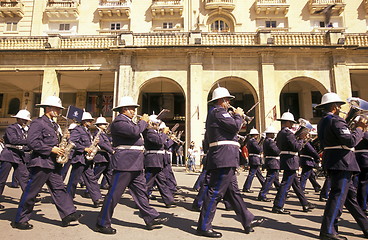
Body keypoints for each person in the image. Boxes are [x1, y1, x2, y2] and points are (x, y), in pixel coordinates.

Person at [197, 86, 264, 238]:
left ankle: (247, 220)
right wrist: (239, 115)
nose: (228, 103)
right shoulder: (218, 112)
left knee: (233, 192)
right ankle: (203, 225)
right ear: (220, 101)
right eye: (227, 100)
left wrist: (235, 116)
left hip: (226, 157)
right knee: (215, 192)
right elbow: (234, 127)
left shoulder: (220, 113)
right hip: (223, 158)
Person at [96, 96, 168, 235]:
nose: (134, 111)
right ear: (124, 109)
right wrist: (143, 122)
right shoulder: (119, 122)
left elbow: (140, 135)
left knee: (141, 193)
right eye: (131, 109)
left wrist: (149, 126)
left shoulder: (131, 122)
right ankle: (102, 222)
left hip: (136, 163)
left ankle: (150, 218)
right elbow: (134, 132)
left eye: (134, 109)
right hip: (124, 162)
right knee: (114, 194)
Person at [12, 96, 82, 230]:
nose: (59, 111)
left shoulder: (54, 124)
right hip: (41, 163)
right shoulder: (38, 123)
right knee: (31, 192)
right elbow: (32, 142)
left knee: (59, 188)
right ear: (48, 108)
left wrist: (64, 139)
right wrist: (51, 149)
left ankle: (68, 214)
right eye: (56, 108)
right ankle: (20, 219)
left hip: (52, 163)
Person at [316, 92, 368, 240]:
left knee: (350, 198)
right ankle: (328, 230)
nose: (340, 108)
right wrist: (359, 128)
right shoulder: (336, 120)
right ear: (333, 107)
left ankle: (366, 227)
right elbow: (350, 141)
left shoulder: (324, 121)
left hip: (334, 161)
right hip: (342, 162)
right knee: (337, 197)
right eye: (338, 106)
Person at [272, 111, 315, 214]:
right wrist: (301, 139)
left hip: (286, 158)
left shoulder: (280, 133)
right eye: (290, 122)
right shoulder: (288, 133)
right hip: (291, 159)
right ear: (286, 122)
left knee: (296, 185)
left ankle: (305, 203)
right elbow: (297, 147)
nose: (292, 124)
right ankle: (278, 205)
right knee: (286, 184)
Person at [66, 112, 103, 207]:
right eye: (89, 120)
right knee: (73, 181)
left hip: (86, 159)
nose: (91, 122)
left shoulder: (87, 131)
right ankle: (67, 200)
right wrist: (84, 149)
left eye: (91, 120)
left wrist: (94, 144)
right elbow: (72, 143)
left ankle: (97, 198)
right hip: (79, 159)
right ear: (83, 121)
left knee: (91, 179)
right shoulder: (77, 130)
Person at [0, 109, 32, 209]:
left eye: (26, 120)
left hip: (19, 155)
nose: (25, 122)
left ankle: (29, 198)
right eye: (23, 120)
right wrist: (29, 141)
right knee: (2, 179)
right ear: (18, 119)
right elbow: (13, 140)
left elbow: (25, 145)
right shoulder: (11, 128)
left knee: (24, 177)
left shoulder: (26, 130)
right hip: (9, 155)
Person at [143, 114, 176, 208]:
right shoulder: (149, 132)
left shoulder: (154, 132)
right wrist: (164, 134)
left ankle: (169, 200)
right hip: (152, 160)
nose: (157, 125)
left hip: (158, 161)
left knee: (162, 182)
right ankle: (142, 201)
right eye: (156, 123)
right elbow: (160, 142)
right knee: (147, 183)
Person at [258, 125, 280, 202]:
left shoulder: (266, 141)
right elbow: (277, 151)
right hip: (273, 162)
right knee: (270, 179)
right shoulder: (270, 141)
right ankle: (262, 194)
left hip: (270, 161)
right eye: (273, 133)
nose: (274, 135)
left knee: (275, 179)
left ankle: (281, 192)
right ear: (270, 134)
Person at [92, 116, 114, 190]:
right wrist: (111, 151)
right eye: (104, 124)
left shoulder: (103, 133)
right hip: (101, 157)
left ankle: (113, 190)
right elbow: (102, 144)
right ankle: (89, 191)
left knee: (109, 175)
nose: (105, 126)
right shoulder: (97, 133)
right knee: (96, 175)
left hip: (106, 157)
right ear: (100, 125)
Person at [243, 128, 265, 193]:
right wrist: (261, 142)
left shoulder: (250, 141)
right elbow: (259, 149)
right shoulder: (253, 141)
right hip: (255, 158)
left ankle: (264, 184)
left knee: (258, 173)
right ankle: (246, 187)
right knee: (252, 174)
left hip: (253, 158)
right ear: (255, 135)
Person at [356, 131, 368, 214]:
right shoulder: (365, 134)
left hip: (357, 160)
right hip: (365, 159)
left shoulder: (357, 133)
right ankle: (363, 205)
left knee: (361, 183)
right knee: (364, 183)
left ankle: (361, 204)